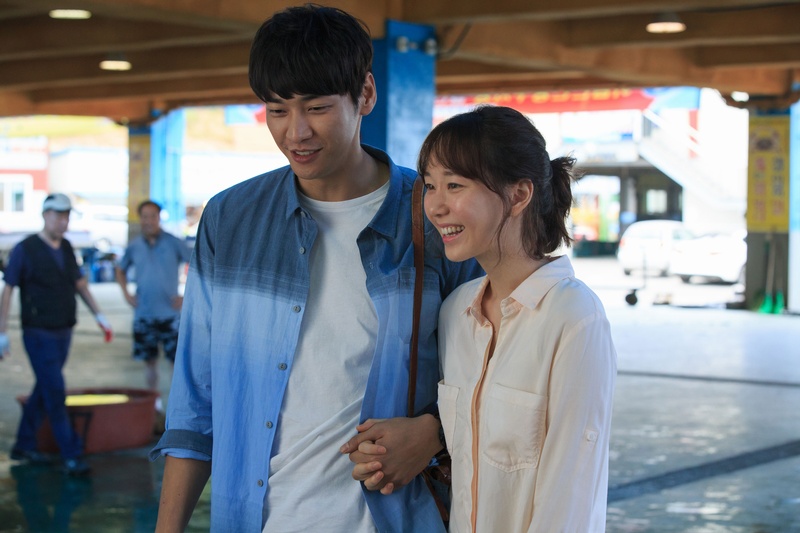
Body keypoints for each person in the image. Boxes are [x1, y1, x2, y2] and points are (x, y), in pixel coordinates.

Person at [149, 5, 481, 532]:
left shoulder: (434, 217)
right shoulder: (230, 220)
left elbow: (497, 374)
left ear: (365, 94)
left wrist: (435, 433)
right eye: (277, 110)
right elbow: (195, 404)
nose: (296, 132)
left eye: (318, 107)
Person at [420, 106, 616, 531]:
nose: (435, 205)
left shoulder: (573, 318)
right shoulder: (456, 312)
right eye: (430, 186)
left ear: (519, 195)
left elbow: (570, 499)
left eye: (454, 185)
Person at [0, 193, 113, 476]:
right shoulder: (25, 249)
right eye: (58, 215)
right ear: (45, 215)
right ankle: (71, 454)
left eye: (67, 216)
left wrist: (99, 315)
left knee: (45, 387)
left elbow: (80, 284)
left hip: (64, 330)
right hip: (38, 332)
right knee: (55, 391)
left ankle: (24, 445)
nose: (63, 221)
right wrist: (2, 332)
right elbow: (8, 289)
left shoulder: (66, 247)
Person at [115, 200, 192, 393]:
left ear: (159, 218)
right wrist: (126, 294)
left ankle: (175, 406)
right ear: (140, 219)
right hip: (144, 315)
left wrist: (187, 296)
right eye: (145, 217)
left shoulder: (174, 243)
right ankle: (154, 403)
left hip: (170, 315)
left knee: (176, 364)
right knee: (149, 363)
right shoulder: (134, 246)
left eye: (153, 216)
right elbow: (120, 270)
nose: (149, 221)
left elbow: (196, 265)